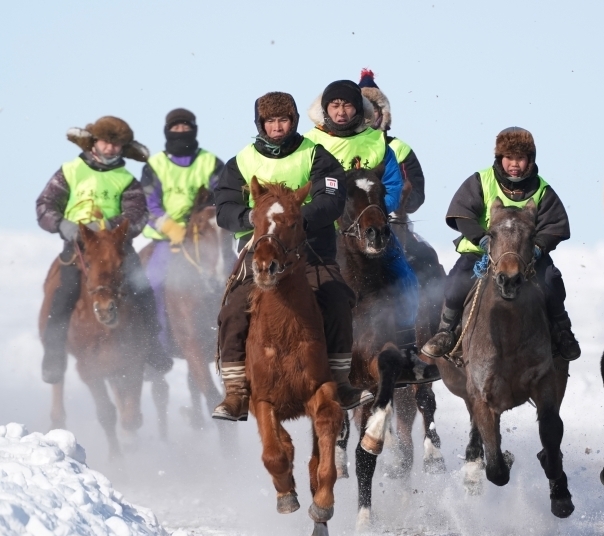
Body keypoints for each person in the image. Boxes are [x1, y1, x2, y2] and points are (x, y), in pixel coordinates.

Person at [213, 91, 370, 420]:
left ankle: (340, 381)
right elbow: (225, 207)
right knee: (232, 311)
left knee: (338, 300)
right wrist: (254, 220)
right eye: (270, 121)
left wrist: (293, 222)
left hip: (311, 252)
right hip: (259, 253)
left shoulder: (316, 155)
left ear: (294, 121)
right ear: (261, 124)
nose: (277, 127)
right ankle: (236, 392)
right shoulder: (241, 161)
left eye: (283, 120)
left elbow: (331, 198)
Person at [306, 80, 438, 385]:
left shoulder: (377, 142)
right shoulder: (310, 144)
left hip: (371, 228)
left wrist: (374, 211)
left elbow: (392, 185)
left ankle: (407, 352)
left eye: (347, 105)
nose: (341, 112)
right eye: (334, 105)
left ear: (359, 109)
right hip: (323, 230)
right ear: (325, 109)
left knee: (405, 276)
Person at [421, 127, 581, 362]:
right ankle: (445, 332)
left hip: (526, 258)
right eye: (509, 158)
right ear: (499, 158)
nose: (514, 164)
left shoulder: (542, 190)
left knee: (552, 282)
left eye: (520, 158)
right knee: (455, 284)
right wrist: (482, 239)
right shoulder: (480, 181)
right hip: (480, 254)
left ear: (530, 160)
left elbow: (554, 226)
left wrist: (537, 247)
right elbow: (462, 214)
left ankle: (562, 331)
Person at [36, 116, 172, 383]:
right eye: (106, 142)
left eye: (117, 144)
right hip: (77, 247)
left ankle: (154, 348)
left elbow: (137, 214)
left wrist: (110, 226)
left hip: (117, 248)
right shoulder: (70, 171)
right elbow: (45, 205)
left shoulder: (126, 180)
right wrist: (64, 225)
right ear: (93, 142)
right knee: (62, 295)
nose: (110, 149)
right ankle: (53, 355)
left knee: (142, 291)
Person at [140, 108, 224, 353]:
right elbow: (149, 204)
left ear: (194, 129)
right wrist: (172, 228)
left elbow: (220, 196)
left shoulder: (210, 162)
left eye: (185, 127)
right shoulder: (155, 165)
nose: (181, 132)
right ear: (167, 131)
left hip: (204, 235)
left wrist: (204, 219)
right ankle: (160, 343)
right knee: (154, 281)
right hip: (168, 238)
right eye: (175, 128)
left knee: (231, 276)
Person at [358, 68, 426, 245]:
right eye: (363, 110)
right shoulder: (339, 147)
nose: (368, 116)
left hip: (393, 220)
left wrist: (397, 201)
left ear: (382, 113)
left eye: (372, 110)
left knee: (427, 258)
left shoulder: (399, 148)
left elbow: (417, 194)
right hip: (350, 222)